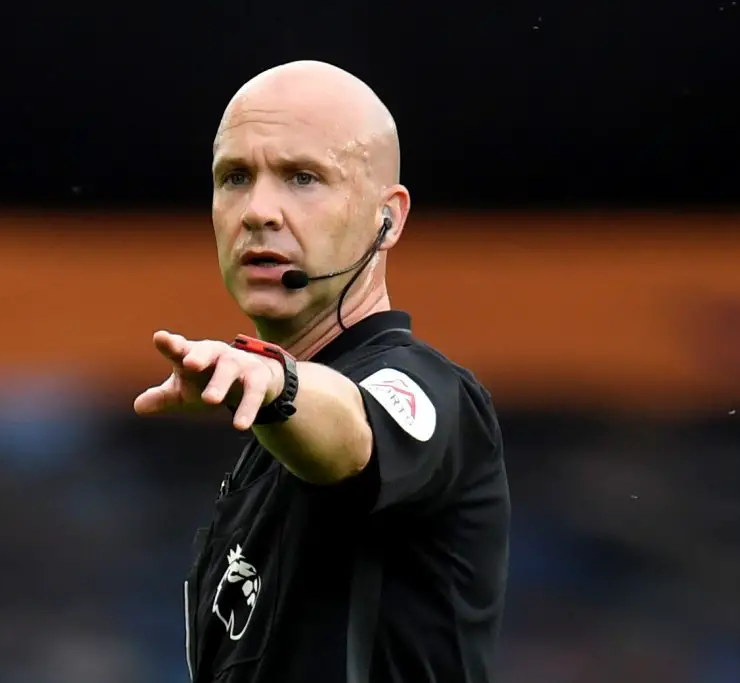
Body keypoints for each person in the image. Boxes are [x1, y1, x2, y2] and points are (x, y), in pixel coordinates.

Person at [133, 60, 509, 683]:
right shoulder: (265, 452)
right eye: (235, 178)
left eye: (302, 177)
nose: (258, 211)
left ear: (387, 218)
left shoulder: (430, 389)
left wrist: (280, 384)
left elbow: (355, 433)